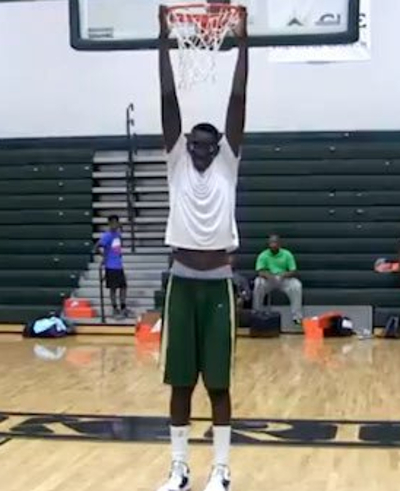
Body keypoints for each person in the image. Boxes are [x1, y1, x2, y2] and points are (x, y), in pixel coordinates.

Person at [157, 4, 248, 491]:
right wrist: (164, 41)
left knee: (218, 383)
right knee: (179, 383)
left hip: (217, 285)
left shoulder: (227, 165)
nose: (197, 148)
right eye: (192, 140)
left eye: (206, 143)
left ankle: (221, 469)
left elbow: (238, 98)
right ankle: (179, 468)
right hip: (181, 283)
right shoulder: (175, 162)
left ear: (217, 147)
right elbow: (167, 98)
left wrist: (243, 43)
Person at [252, 234, 303, 326]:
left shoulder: (287, 254)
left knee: (296, 285)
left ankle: (297, 316)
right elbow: (260, 271)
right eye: (271, 243)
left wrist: (283, 275)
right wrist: (269, 276)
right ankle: (257, 313)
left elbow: (293, 271)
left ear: (280, 244)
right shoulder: (263, 255)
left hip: (283, 279)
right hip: (268, 279)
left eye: (275, 243)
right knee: (258, 283)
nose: (273, 245)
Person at [95, 215, 128, 319]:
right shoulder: (107, 236)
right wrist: (104, 256)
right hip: (111, 266)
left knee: (123, 287)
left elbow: (118, 247)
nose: (115, 225)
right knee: (113, 289)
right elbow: (97, 246)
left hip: (119, 265)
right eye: (112, 223)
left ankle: (123, 307)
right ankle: (115, 308)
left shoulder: (118, 235)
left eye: (116, 222)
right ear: (109, 224)